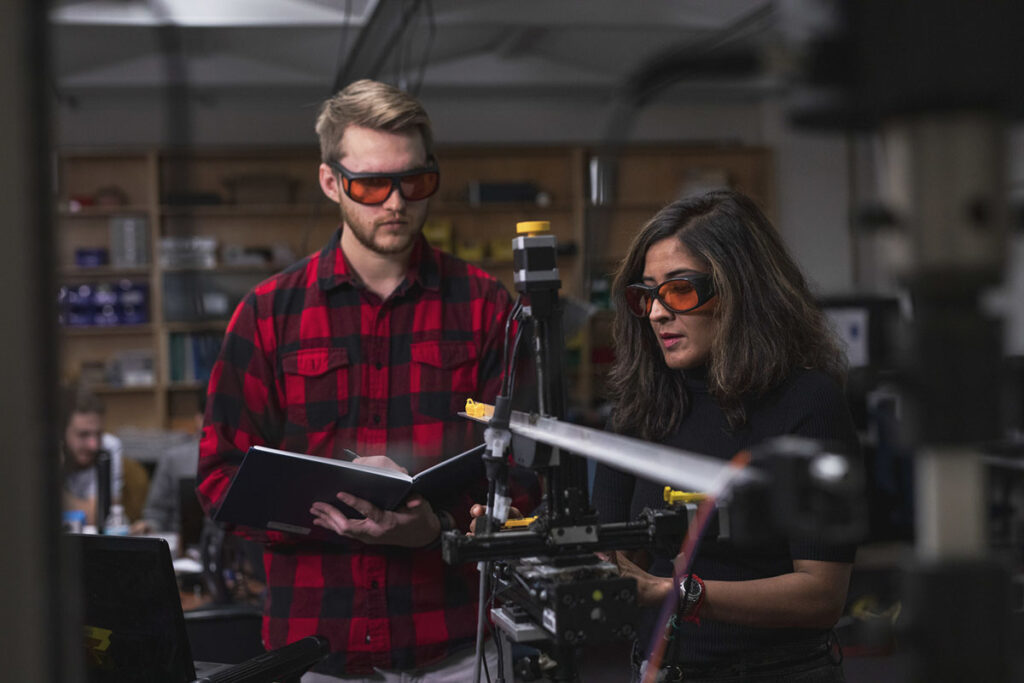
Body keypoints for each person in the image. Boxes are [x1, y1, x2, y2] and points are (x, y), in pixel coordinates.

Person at [196, 79, 523, 681]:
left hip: (455, 646)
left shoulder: (484, 307)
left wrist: (439, 527)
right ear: (331, 182)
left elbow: (524, 474)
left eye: (415, 181)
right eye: (371, 185)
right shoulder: (268, 314)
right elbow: (220, 477)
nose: (395, 203)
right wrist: (326, 509)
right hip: (319, 651)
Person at [592, 190, 858, 682]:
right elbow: (617, 565)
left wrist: (678, 592)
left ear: (741, 290)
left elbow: (821, 595)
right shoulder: (638, 409)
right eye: (646, 293)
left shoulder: (806, 403)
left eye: (680, 290)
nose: (656, 313)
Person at [131, 392, 204, 534]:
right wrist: (149, 527)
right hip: (181, 546)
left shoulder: (245, 457)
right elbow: (155, 513)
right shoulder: (174, 458)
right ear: (199, 419)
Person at [61, 382, 124, 526]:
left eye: (99, 434)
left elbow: (96, 517)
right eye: (83, 435)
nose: (94, 445)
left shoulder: (108, 447)